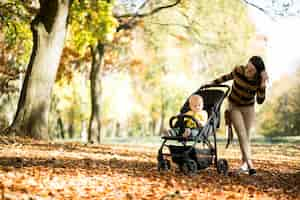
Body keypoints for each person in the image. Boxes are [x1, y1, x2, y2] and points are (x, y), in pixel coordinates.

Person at [211, 56, 269, 176]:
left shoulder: (258, 81)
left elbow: (260, 100)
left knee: (246, 136)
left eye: (252, 70)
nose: (248, 70)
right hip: (234, 106)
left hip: (249, 107)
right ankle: (250, 165)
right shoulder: (238, 70)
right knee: (241, 134)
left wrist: (263, 84)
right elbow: (226, 77)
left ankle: (244, 164)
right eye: (248, 66)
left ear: (258, 72)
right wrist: (211, 83)